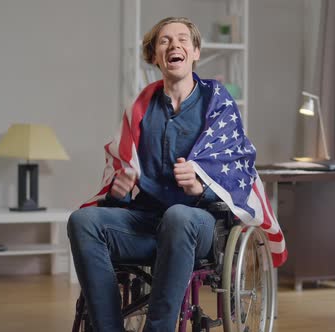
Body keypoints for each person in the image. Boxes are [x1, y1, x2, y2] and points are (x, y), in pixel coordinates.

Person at [68, 16, 287, 332]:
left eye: (183, 39)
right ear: (155, 56)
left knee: (178, 215)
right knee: (82, 221)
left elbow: (239, 169)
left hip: (199, 226)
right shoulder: (141, 110)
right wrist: (122, 189)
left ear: (196, 52)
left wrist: (202, 187)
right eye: (164, 41)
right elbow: (124, 170)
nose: (174, 45)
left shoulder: (218, 105)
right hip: (146, 223)